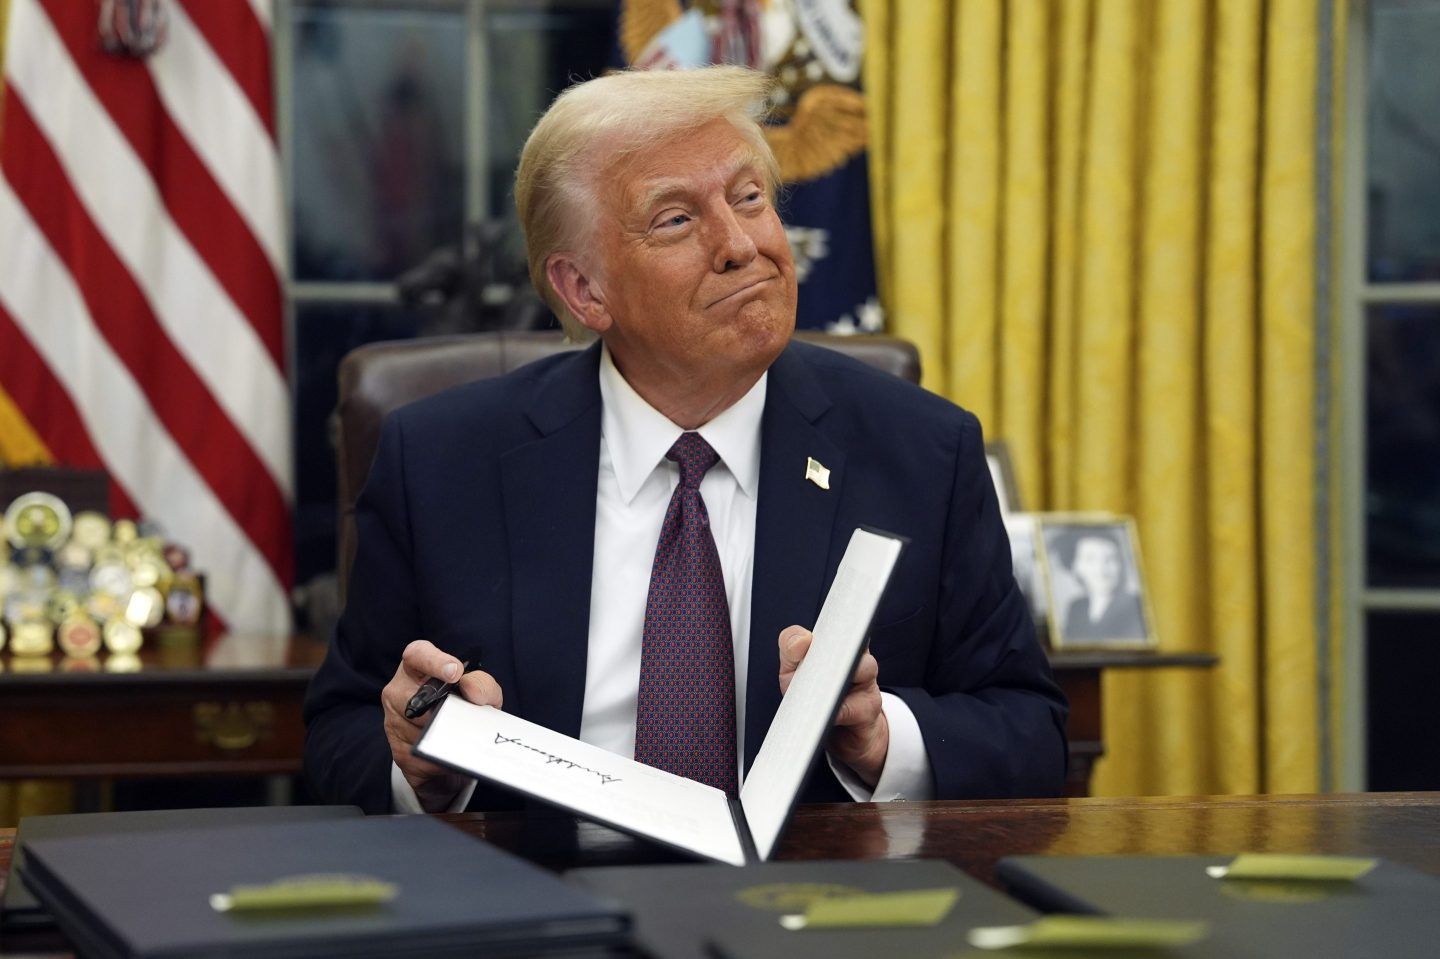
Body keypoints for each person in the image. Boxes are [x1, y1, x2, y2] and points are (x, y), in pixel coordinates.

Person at [303, 66, 1068, 815]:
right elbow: (338, 738)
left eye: (749, 197)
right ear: (584, 289)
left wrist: (879, 737)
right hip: (549, 907)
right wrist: (425, 770)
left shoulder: (923, 453)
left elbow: (1032, 734)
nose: (741, 244)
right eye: (676, 218)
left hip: (805, 912)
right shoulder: (441, 463)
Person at [1058, 528, 1147, 642]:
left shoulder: (1136, 605)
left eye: (1110, 559)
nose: (1101, 569)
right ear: (1075, 567)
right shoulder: (1076, 607)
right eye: (1090, 559)